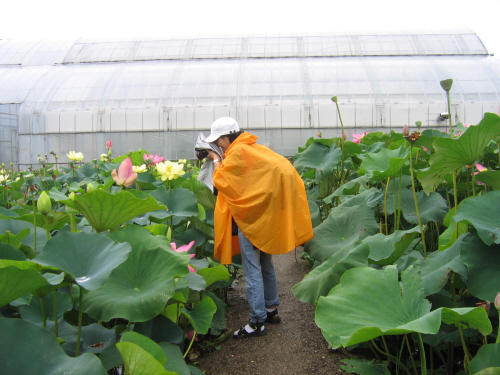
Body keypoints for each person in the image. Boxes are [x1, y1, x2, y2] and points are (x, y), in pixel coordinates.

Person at [204, 117, 313, 339]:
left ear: (227, 137)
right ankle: (271, 310)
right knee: (266, 265)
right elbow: (282, 171)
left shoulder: (236, 153)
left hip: (250, 220)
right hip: (265, 218)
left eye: (219, 141)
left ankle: (256, 322)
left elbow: (221, 182)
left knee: (252, 270)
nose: (219, 145)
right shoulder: (253, 148)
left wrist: (216, 159)